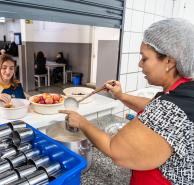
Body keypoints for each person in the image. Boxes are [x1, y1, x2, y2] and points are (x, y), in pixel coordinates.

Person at [59, 18, 194, 185]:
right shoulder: (186, 92)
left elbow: (116, 150)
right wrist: (121, 96)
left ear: (169, 62)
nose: (139, 64)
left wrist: (82, 123)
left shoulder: (170, 107)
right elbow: (155, 108)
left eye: (144, 58)